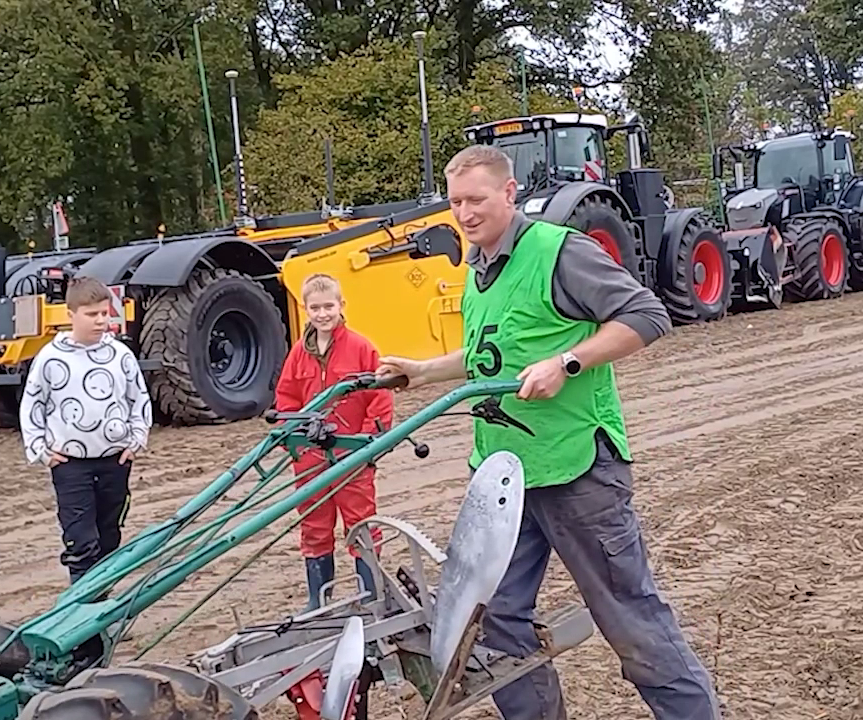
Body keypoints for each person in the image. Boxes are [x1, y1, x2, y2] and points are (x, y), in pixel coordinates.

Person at [376, 145, 721, 720]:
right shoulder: (480, 268)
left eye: (476, 200)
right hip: (506, 478)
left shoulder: (559, 253)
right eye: (455, 201)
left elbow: (646, 315)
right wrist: (425, 370)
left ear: (508, 194)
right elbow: (497, 355)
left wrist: (568, 364)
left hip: (577, 468)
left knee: (628, 618)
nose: (464, 213)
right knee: (490, 624)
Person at [20, 276, 152, 585]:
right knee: (81, 542)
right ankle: (82, 618)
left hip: (114, 462)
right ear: (71, 315)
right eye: (92, 315)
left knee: (109, 538)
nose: (100, 321)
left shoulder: (121, 356)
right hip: (70, 466)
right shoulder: (51, 359)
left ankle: (102, 610)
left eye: (105, 313)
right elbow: (32, 405)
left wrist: (136, 441)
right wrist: (41, 450)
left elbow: (139, 399)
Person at [274, 273, 394, 611]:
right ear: (305, 309)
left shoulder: (361, 348)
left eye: (329, 306)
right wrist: (295, 436)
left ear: (341, 306)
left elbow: (379, 397)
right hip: (310, 457)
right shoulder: (298, 354)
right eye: (315, 307)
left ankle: (371, 598)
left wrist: (370, 440)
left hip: (352, 454)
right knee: (314, 525)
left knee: (361, 523)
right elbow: (286, 399)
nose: (323, 313)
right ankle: (319, 600)